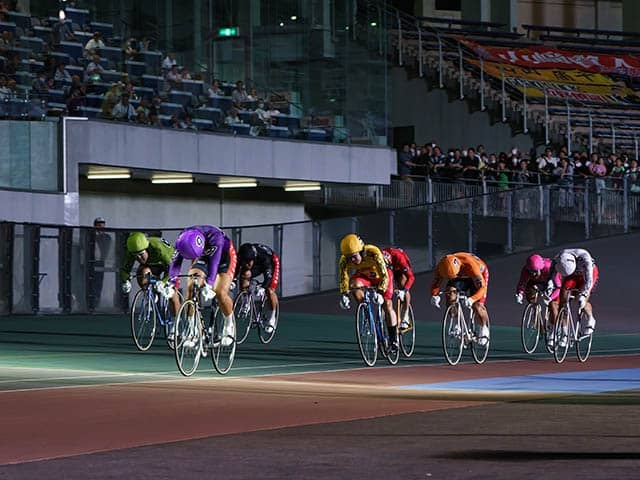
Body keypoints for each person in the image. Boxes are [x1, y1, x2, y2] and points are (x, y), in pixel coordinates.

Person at [168, 226, 236, 346]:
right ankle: (192, 329)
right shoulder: (182, 239)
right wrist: (171, 284)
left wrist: (209, 284)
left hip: (225, 256)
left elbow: (214, 263)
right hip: (202, 255)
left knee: (220, 292)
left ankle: (229, 324)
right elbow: (175, 263)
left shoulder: (216, 238)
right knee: (191, 286)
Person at [338, 234, 399, 350]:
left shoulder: (373, 252)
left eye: (354, 256)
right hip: (365, 277)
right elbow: (343, 278)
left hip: (382, 277)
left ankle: (393, 338)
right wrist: (344, 294)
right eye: (349, 257)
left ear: (361, 251)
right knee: (354, 285)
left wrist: (380, 292)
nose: (352, 260)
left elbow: (384, 275)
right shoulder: (344, 260)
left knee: (387, 304)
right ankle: (366, 311)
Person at [430, 252, 490, 345]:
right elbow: (435, 284)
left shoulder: (471, 265)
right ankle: (455, 322)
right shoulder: (441, 267)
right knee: (450, 293)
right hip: (459, 276)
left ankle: (484, 327)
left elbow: (482, 288)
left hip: (477, 274)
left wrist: (472, 299)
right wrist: (434, 295)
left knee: (477, 306)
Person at [120, 232, 180, 318]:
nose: (139, 258)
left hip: (170, 262)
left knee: (171, 293)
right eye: (135, 256)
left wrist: (163, 282)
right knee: (142, 273)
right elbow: (125, 269)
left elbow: (172, 269)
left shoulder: (158, 248)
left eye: (141, 254)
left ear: (147, 248)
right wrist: (125, 281)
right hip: (153, 264)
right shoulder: (131, 251)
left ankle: (176, 321)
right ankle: (150, 295)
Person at [548, 248, 598, 346]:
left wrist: (583, 295)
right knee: (563, 302)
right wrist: (550, 282)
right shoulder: (558, 258)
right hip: (571, 276)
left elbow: (589, 281)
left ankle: (590, 318)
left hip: (588, 275)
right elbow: (551, 273)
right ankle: (565, 333)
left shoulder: (585, 259)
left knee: (580, 300)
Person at [515, 253, 562, 347]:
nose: (533, 274)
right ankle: (540, 325)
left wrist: (550, 298)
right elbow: (522, 282)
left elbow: (558, 287)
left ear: (541, 268)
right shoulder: (526, 270)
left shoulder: (550, 267)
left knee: (553, 305)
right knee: (530, 296)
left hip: (551, 283)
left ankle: (555, 329)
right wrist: (520, 293)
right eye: (531, 271)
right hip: (535, 283)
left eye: (535, 272)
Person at [236, 243, 280, 333]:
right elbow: (235, 271)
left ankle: (272, 317)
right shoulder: (241, 257)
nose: (246, 264)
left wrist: (263, 287)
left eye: (249, 261)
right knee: (244, 274)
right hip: (256, 264)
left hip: (271, 263)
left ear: (253, 258)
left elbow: (268, 277)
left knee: (270, 290)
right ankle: (246, 301)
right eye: (244, 261)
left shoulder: (264, 258)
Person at [381, 247, 415, 330]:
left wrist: (404, 290)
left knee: (402, 284)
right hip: (386, 271)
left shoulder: (400, 258)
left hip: (400, 269)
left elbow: (411, 277)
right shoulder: (378, 257)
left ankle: (405, 316)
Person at [88, 217, 112, 312]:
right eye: (99, 226)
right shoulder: (90, 236)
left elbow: (106, 249)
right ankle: (91, 304)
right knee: (91, 283)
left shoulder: (106, 237)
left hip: (100, 262)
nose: (101, 228)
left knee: (99, 283)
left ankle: (96, 303)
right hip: (91, 263)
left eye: (102, 226)